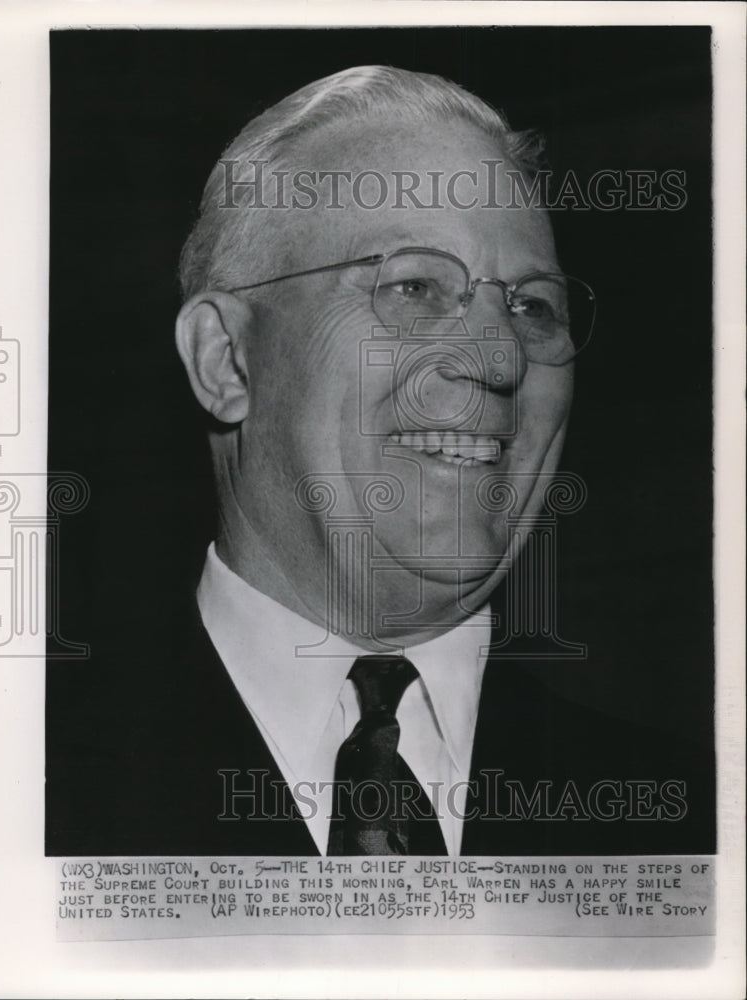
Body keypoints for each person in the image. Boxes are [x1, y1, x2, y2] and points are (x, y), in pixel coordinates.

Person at [51, 66, 712, 858]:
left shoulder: (691, 824)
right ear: (227, 360)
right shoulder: (8, 782)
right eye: (413, 288)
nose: (500, 358)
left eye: (533, 305)